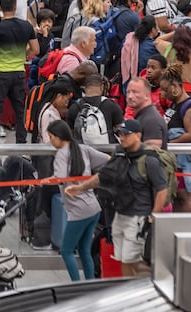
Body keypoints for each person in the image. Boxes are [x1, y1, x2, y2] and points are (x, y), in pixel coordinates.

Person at [65, 119, 169, 277]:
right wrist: (80, 188)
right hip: (119, 214)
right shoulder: (119, 154)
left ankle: (149, 285)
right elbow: (104, 176)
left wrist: (153, 215)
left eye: (127, 134)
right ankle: (137, 288)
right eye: (120, 134)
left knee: (130, 260)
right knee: (123, 259)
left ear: (138, 135)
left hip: (138, 217)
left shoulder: (149, 160)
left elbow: (162, 190)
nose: (123, 137)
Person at [44, 120, 109, 281]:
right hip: (94, 208)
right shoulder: (83, 149)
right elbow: (108, 159)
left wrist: (48, 181)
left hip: (79, 212)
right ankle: (89, 285)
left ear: (59, 137)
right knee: (84, 250)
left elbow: (60, 179)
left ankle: (76, 285)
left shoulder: (61, 154)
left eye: (51, 137)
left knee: (66, 251)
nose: (50, 140)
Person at [0, 0, 39, 144]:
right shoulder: (26, 26)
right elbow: (36, 49)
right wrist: (23, 55)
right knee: (20, 109)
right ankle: (21, 142)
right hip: (18, 73)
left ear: (0, 8)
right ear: (15, 7)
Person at [158, 64, 191, 213]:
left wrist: (170, 144)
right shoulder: (174, 105)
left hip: (185, 162)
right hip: (175, 160)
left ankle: (190, 230)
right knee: (177, 196)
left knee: (185, 198)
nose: (163, 94)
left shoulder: (190, 106)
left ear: (175, 86)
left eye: (165, 89)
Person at [66, 74, 124, 144]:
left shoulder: (74, 107)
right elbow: (121, 131)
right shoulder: (112, 106)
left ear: (84, 88)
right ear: (102, 87)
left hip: (82, 152)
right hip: (107, 151)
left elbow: (70, 135)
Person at [154, 26, 191, 97]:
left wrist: (176, 32)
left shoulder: (168, 48)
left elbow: (157, 41)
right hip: (189, 92)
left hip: (171, 89)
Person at [125, 77, 168, 148]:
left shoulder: (152, 120)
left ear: (147, 95)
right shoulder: (144, 116)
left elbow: (152, 154)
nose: (130, 96)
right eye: (128, 92)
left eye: (135, 92)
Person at [121, 16, 160, 86]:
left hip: (127, 81)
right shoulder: (153, 46)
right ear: (153, 30)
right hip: (144, 83)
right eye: (157, 27)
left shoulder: (129, 40)